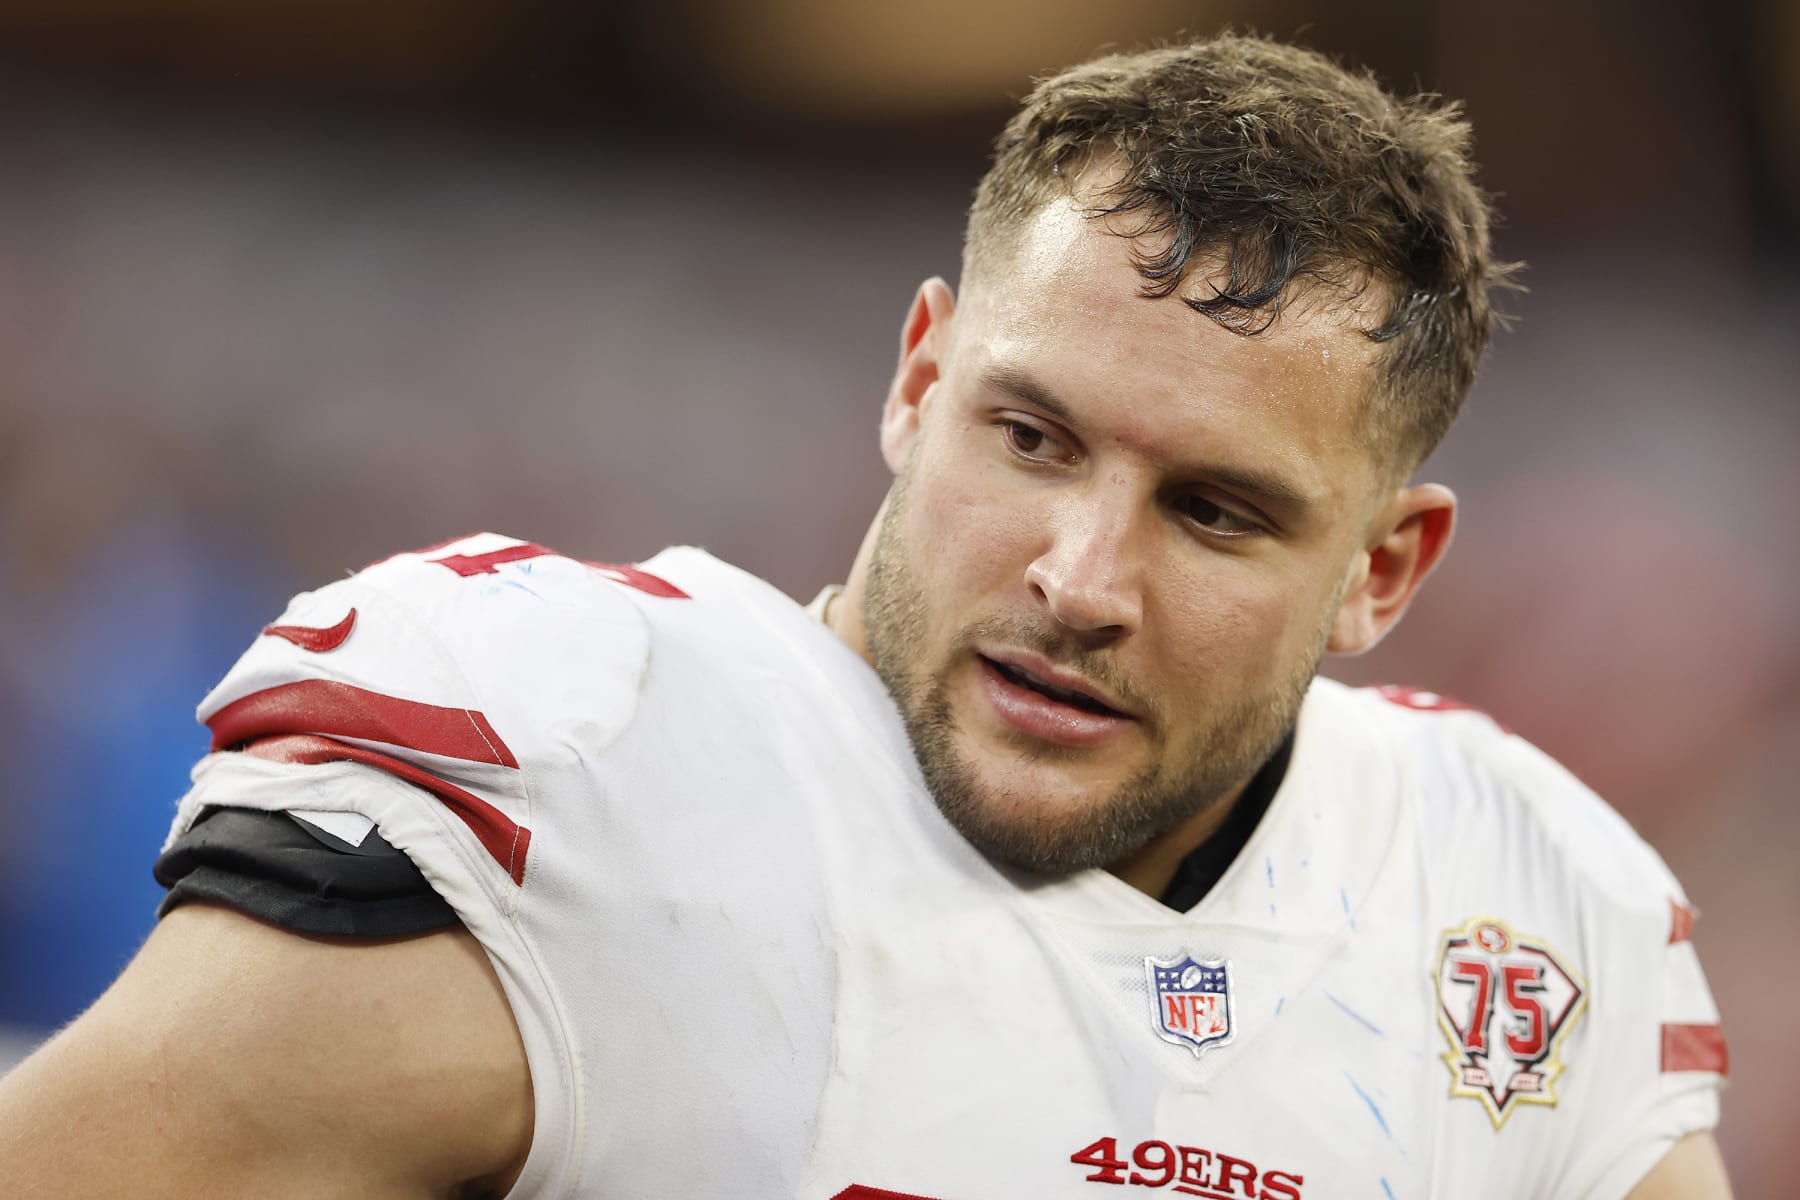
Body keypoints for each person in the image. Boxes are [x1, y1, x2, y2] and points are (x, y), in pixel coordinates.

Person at [0, 33, 1729, 1199]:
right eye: (1031, 438)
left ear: (1383, 571)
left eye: (1214, 512)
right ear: (919, 379)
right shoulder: (584, 772)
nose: (1078, 578)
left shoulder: (1518, 912)